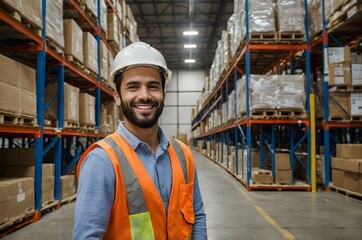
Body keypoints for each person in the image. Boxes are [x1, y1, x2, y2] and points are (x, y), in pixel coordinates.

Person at [73, 42, 207, 239]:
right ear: (117, 96)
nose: (144, 95)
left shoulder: (183, 154)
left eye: (153, 86)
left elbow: (198, 217)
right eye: (133, 87)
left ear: (164, 94)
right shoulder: (102, 161)